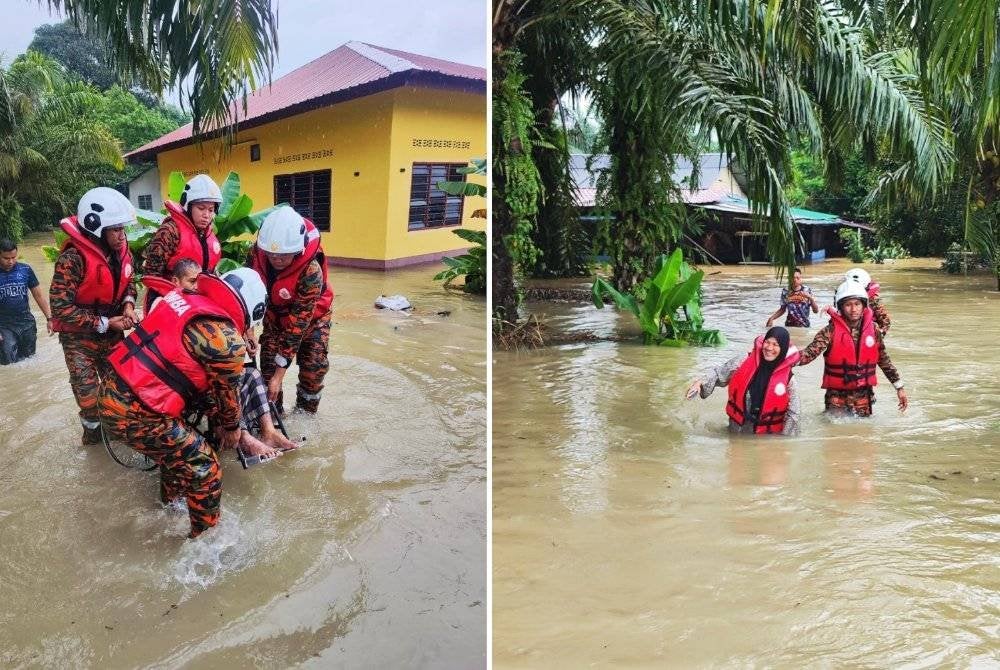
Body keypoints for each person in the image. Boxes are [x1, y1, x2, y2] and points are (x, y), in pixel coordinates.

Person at [99, 269, 267, 538]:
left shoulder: (182, 299)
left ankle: (170, 509)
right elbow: (227, 401)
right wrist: (234, 430)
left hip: (112, 391)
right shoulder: (226, 341)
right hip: (135, 411)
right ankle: (205, 544)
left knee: (178, 454)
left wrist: (229, 425)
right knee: (206, 467)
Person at [152, 260, 297, 455]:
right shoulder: (165, 303)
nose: (196, 287)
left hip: (200, 374)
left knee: (252, 374)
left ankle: (269, 432)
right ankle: (243, 436)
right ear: (175, 281)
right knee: (227, 387)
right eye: (191, 281)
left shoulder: (199, 304)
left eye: (198, 282)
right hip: (180, 382)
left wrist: (246, 336)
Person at [50, 187, 137, 445]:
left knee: (121, 392)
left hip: (112, 334)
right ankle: (93, 443)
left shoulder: (122, 253)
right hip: (79, 340)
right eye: (115, 230)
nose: (122, 236)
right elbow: (60, 308)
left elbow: (129, 283)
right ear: (97, 229)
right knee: (89, 400)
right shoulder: (72, 259)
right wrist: (104, 323)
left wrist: (129, 305)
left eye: (123, 229)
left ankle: (119, 440)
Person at [249, 205, 334, 415]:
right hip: (275, 319)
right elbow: (247, 294)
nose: (276, 259)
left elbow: (297, 327)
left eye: (283, 255)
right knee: (267, 375)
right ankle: (273, 417)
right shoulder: (256, 255)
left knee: (312, 371)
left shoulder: (311, 271)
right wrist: (248, 330)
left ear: (299, 250)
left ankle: (305, 416)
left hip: (312, 321)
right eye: (271, 255)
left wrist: (280, 376)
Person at [797, 279, 908, 417]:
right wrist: (784, 358)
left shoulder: (874, 330)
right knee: (834, 429)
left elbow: (884, 360)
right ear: (841, 307)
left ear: (863, 305)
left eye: (857, 304)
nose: (853, 309)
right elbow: (809, 354)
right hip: (836, 398)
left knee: (863, 430)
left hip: (863, 398)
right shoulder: (830, 331)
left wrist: (899, 388)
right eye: (848, 305)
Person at [686, 326, 801, 435]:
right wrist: (699, 383)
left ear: (783, 349)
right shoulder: (743, 360)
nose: (769, 348)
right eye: (767, 342)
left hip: (767, 436)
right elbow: (719, 373)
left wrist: (783, 443)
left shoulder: (789, 379)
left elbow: (794, 414)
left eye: (775, 345)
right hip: (737, 428)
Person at [141, 173, 223, 313]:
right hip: (166, 299)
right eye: (201, 208)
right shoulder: (170, 231)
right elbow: (152, 274)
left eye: (211, 210)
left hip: (198, 301)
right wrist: (175, 300)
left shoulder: (209, 235)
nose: (206, 215)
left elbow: (212, 273)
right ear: (188, 206)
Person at [0, 238, 52, 364]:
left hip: (26, 323)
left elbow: (39, 296)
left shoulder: (25, 270)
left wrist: (49, 318)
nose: (11, 261)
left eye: (14, 257)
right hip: (4, 326)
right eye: (6, 258)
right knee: (9, 363)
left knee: (29, 361)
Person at [845, 267, 891, 334]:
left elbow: (885, 322)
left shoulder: (872, 302)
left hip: (868, 333)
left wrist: (878, 334)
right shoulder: (842, 299)